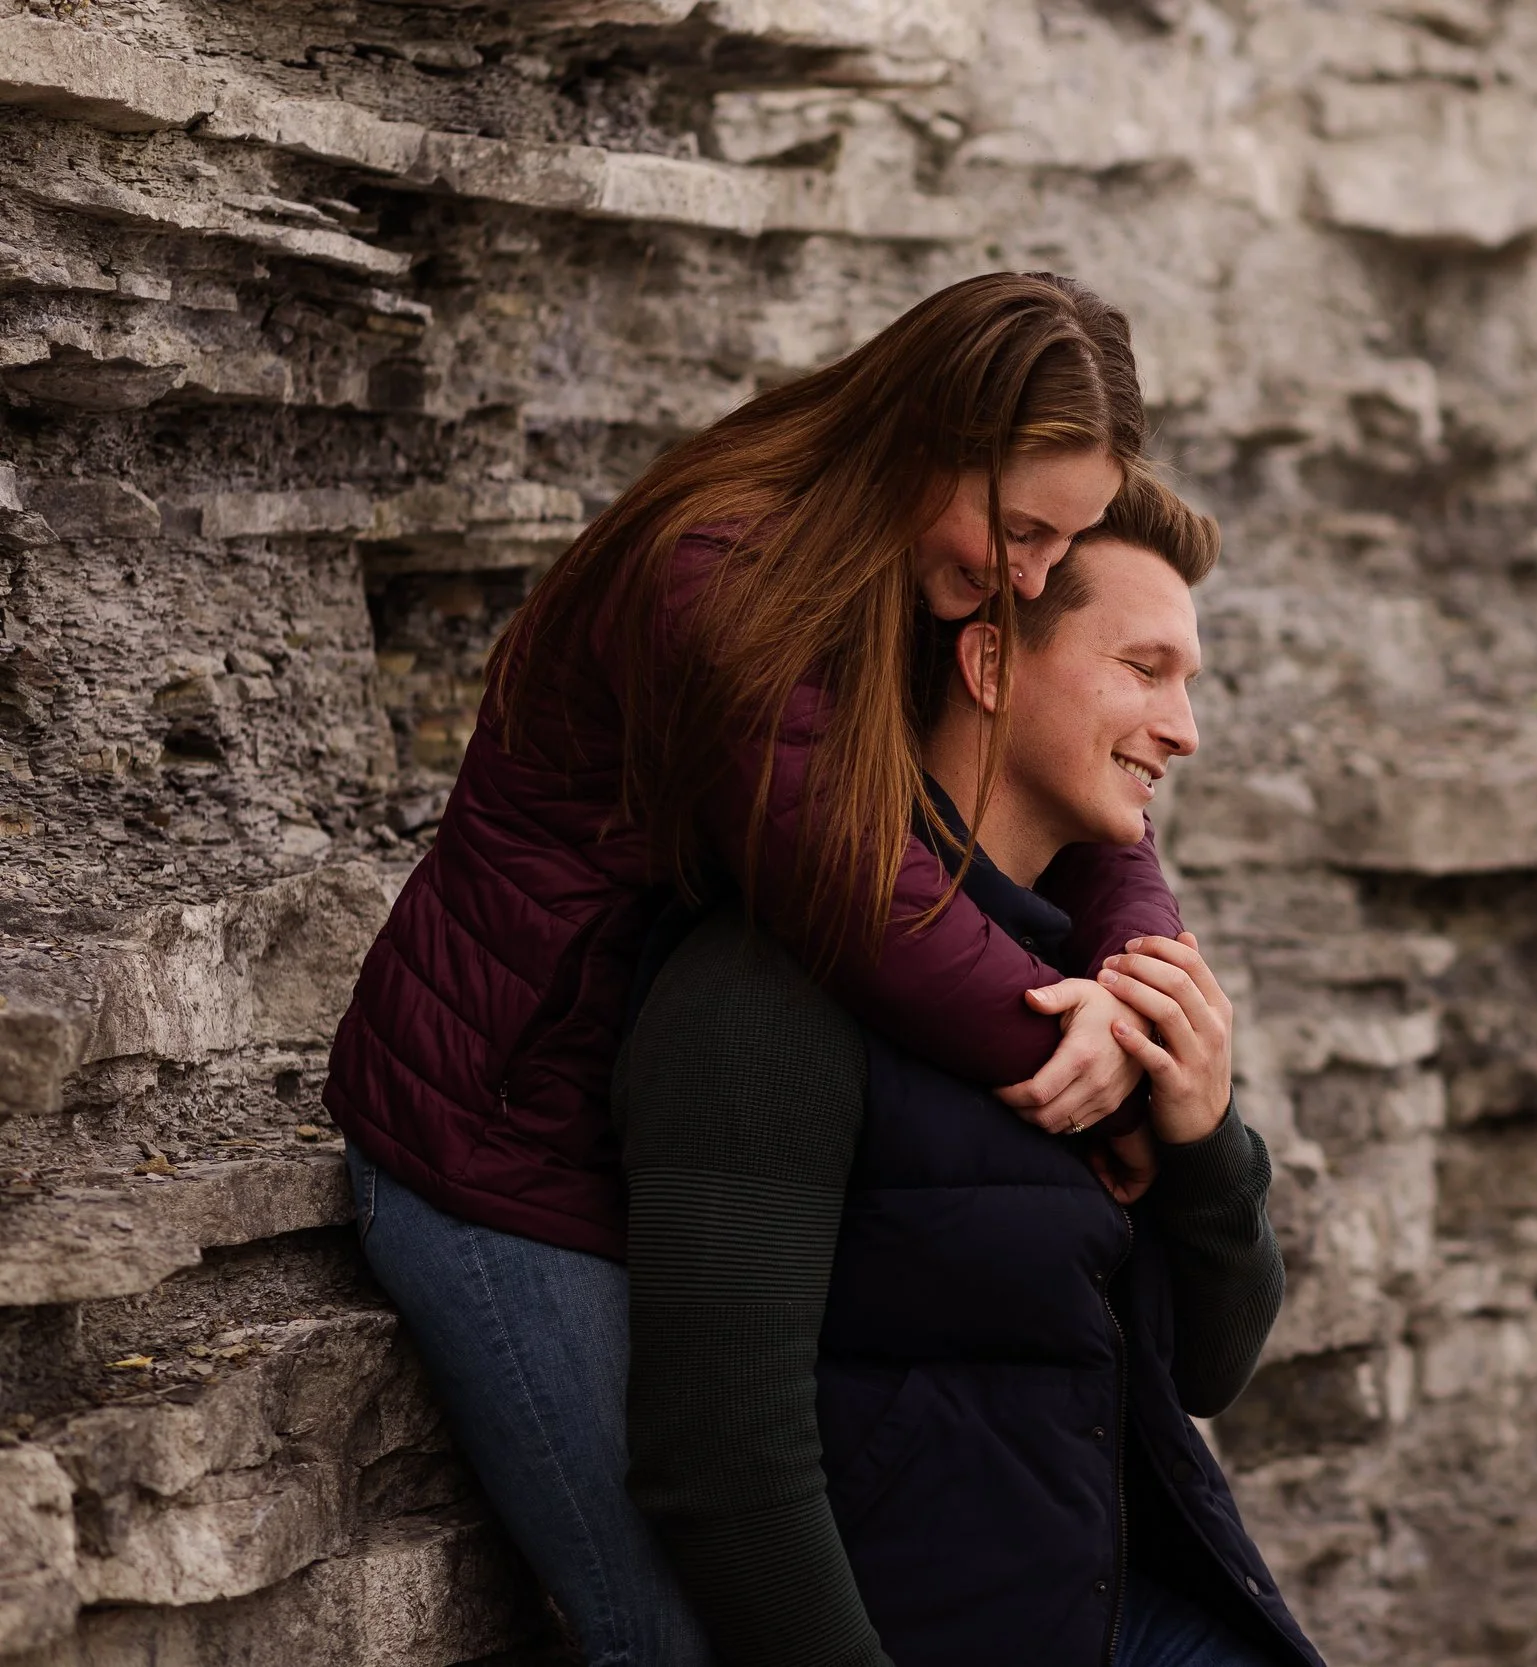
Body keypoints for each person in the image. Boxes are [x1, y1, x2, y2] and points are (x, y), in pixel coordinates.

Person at [327, 273, 1186, 1665]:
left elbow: (1065, 783)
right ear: (928, 437)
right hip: (497, 1158)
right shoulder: (718, 572)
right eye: (1022, 528)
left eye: (1064, 540)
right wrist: (1080, 1058)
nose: (1032, 575)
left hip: (669, 1133)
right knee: (670, 1620)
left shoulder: (919, 554)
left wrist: (1145, 979)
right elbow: (864, 895)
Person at [618, 478, 1325, 1667]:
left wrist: (1207, 1138)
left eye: (1188, 680)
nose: (1184, 727)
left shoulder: (1094, 976)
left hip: (1136, 1613)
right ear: (989, 665)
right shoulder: (766, 989)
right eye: (1144, 669)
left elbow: (1210, 1364)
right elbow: (720, 1451)